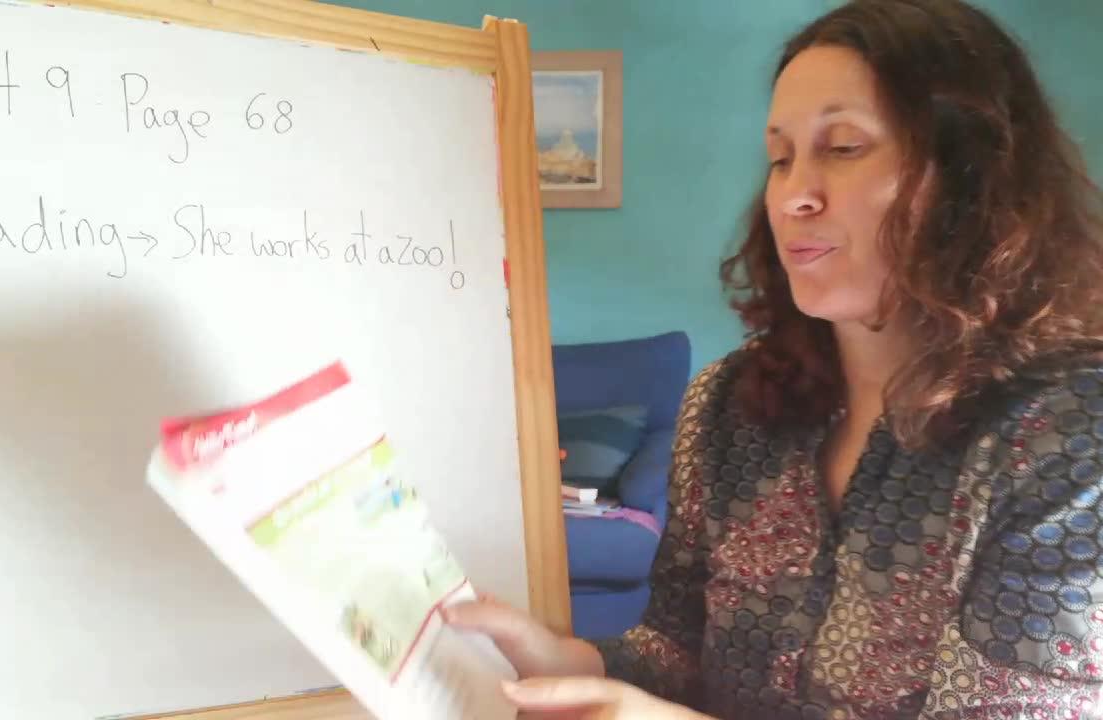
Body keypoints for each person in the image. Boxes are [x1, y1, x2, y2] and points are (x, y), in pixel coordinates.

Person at [446, 0, 1103, 717]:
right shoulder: (730, 407)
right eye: (781, 159)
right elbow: (674, 649)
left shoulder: (1068, 438)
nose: (795, 197)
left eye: (843, 148)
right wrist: (568, 664)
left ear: (969, 174)